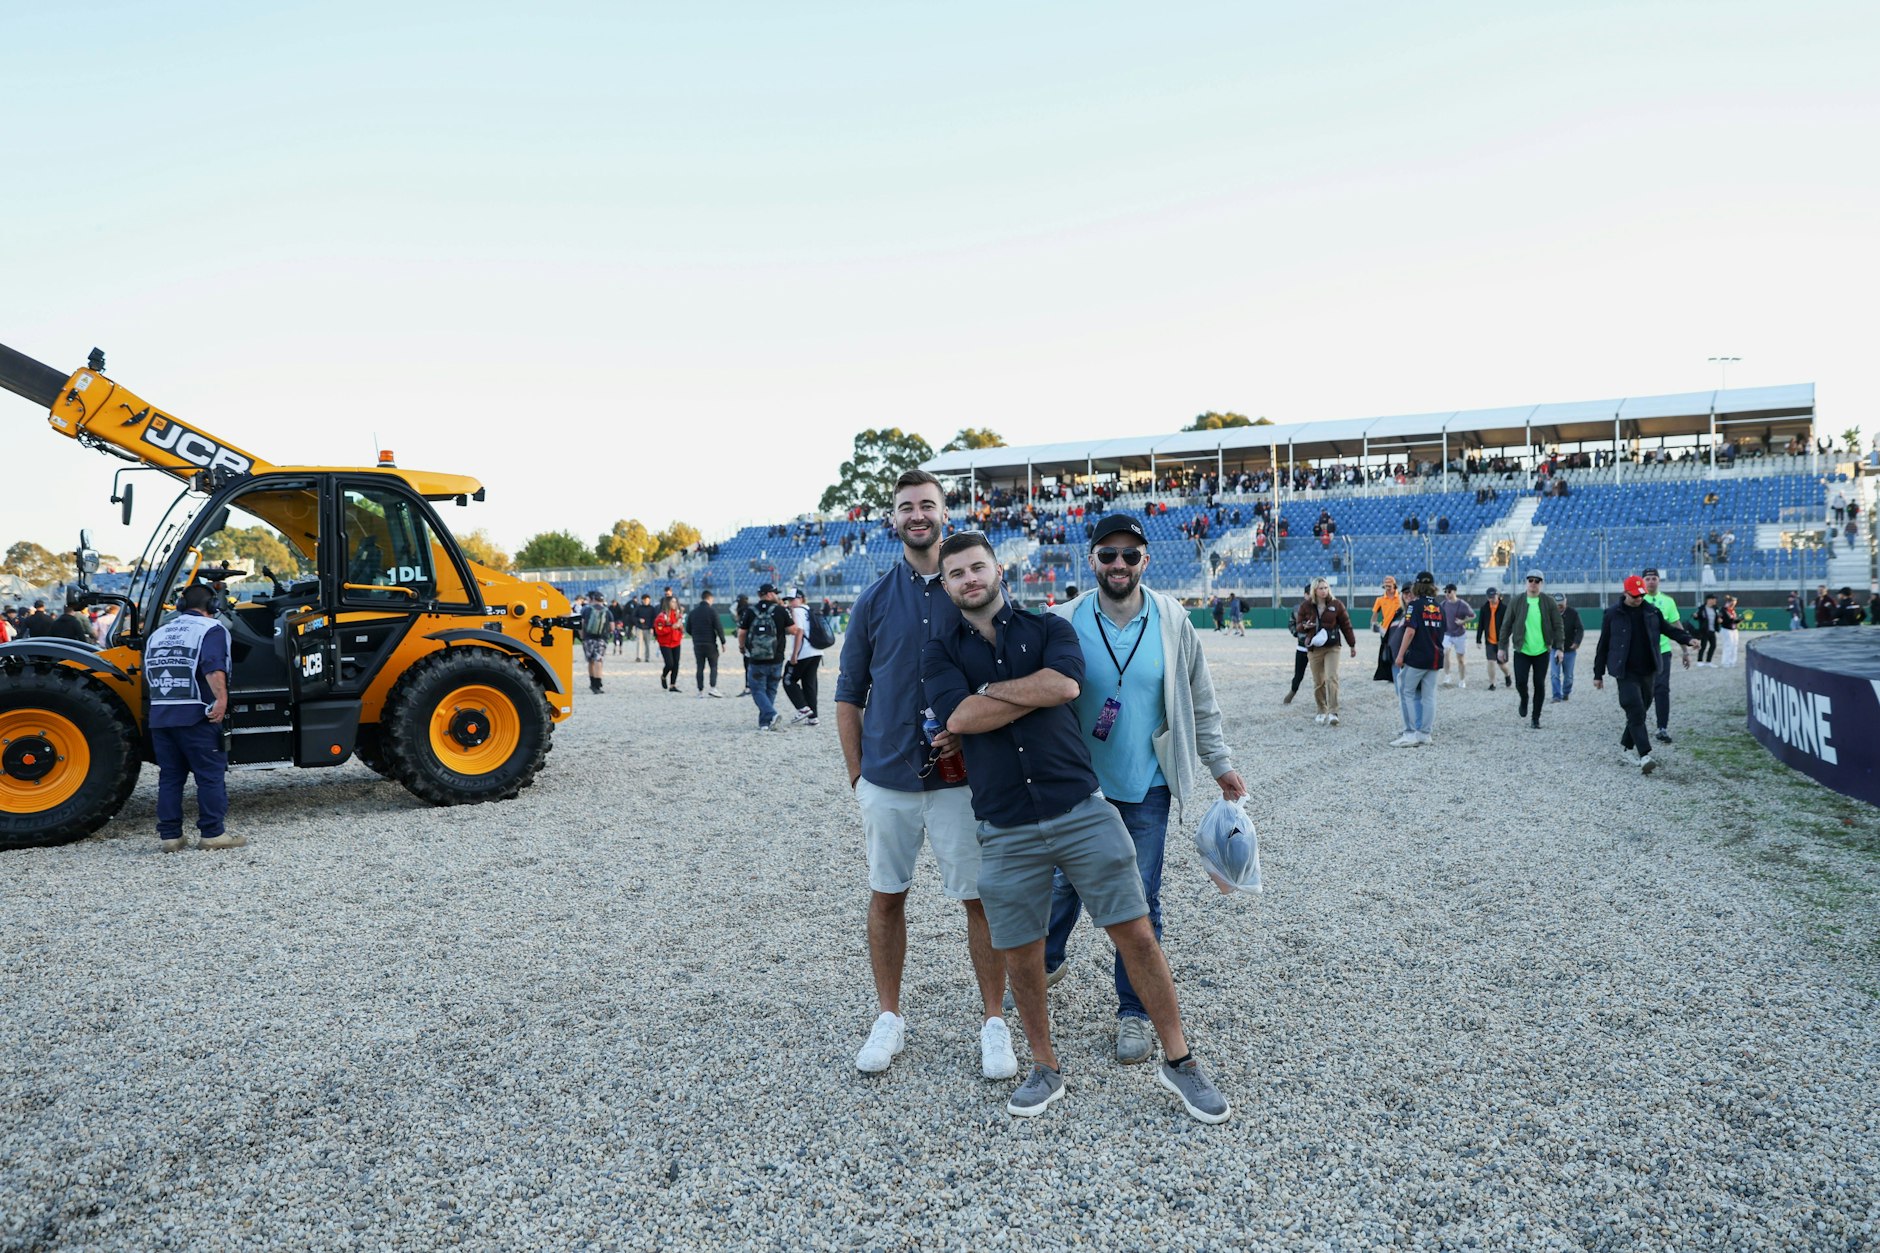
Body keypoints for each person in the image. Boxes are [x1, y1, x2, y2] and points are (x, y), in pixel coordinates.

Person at [922, 531, 1231, 1123]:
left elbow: (1063, 685)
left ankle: (1181, 1060)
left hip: (1081, 808)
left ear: (998, 572)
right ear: (945, 585)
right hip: (1006, 823)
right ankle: (1045, 1065)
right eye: (955, 573)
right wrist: (1011, 698)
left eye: (977, 567)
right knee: (1022, 950)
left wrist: (984, 696)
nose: (968, 579)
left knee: (1137, 932)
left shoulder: (1048, 630)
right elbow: (958, 716)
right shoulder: (938, 652)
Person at [1042, 514, 1246, 1063]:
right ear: (1092, 560)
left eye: (1130, 555)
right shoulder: (1062, 618)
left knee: (1140, 901)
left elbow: (1199, 700)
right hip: (1079, 781)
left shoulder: (1172, 619)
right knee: (1063, 883)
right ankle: (1045, 962)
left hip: (1147, 784)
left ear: (1145, 562)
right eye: (1108, 554)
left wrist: (1218, 763)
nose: (1119, 565)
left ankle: (1133, 1012)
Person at [834, 470, 1011, 1081]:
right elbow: (848, 692)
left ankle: (993, 1019)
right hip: (888, 777)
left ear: (944, 511)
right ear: (893, 518)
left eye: (927, 505)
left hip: (963, 779)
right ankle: (888, 1015)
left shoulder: (973, 589)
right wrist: (859, 774)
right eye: (906, 507)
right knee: (887, 896)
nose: (917, 515)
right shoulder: (875, 599)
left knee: (980, 898)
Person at [143, 584, 241, 850]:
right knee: (209, 775)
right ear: (213, 607)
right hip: (197, 715)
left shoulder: (158, 633)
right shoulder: (211, 630)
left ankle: (170, 836)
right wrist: (221, 700)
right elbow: (213, 666)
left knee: (170, 777)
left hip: (161, 716)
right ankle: (213, 834)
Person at [1593, 576, 1695, 775]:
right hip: (1625, 672)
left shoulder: (1652, 612)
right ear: (1625, 593)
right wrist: (1598, 674)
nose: (1639, 598)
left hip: (1648, 669)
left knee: (1640, 711)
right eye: (1634, 595)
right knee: (1635, 708)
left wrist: (1688, 640)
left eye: (1641, 595)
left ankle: (1625, 747)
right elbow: (1603, 645)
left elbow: (1670, 630)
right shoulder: (1612, 614)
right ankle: (1645, 755)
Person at [1497, 571, 1562, 729]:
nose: (1533, 583)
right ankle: (1524, 699)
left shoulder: (1549, 602)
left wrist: (1559, 648)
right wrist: (1501, 647)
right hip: (1522, 650)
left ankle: (1535, 718)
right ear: (1526, 582)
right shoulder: (1517, 601)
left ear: (1542, 583)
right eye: (1531, 580)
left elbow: (1558, 626)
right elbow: (1506, 625)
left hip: (1541, 651)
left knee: (1539, 684)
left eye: (1537, 581)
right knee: (1520, 682)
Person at [1390, 573, 1444, 747]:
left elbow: (1410, 631)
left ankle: (1410, 732)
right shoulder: (1439, 607)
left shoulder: (1414, 605)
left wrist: (1400, 655)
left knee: (1406, 691)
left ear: (1417, 587)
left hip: (1418, 657)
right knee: (1429, 696)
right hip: (1435, 657)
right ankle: (1425, 734)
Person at [1295, 577, 1356, 726]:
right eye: (1321, 588)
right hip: (1314, 648)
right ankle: (1321, 709)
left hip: (1332, 646)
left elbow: (1346, 625)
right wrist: (1305, 625)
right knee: (1318, 681)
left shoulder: (1337, 605)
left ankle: (1333, 711)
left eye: (1326, 587)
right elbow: (1298, 626)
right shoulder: (1305, 606)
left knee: (1331, 677)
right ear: (1314, 590)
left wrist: (1352, 644)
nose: (1324, 591)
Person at [737, 583, 798, 730]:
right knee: (771, 689)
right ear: (769, 594)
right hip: (776, 657)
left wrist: (742, 647)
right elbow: (793, 630)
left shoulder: (750, 611)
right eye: (775, 593)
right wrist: (790, 611)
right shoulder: (780, 610)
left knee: (757, 690)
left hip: (756, 658)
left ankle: (768, 718)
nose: (777, 595)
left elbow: (742, 633)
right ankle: (767, 719)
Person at [1639, 569, 1682, 743]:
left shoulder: (1668, 601)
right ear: (1643, 581)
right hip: (1641, 653)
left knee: (1662, 688)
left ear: (1659, 580)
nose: (1651, 581)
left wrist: (1685, 649)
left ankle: (1662, 727)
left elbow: (1675, 625)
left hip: (1663, 651)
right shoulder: (1637, 599)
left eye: (1654, 578)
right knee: (1643, 689)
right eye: (1647, 578)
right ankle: (1636, 724)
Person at [782, 587, 823, 726]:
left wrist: (794, 654)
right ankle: (813, 716)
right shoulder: (809, 610)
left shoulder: (797, 611)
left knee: (788, 680)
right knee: (809, 683)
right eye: (789, 600)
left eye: (793, 599)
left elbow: (799, 632)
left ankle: (803, 708)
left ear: (801, 599)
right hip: (816, 651)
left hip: (803, 652)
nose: (791, 602)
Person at [686, 590, 725, 697]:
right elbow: (719, 627)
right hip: (710, 643)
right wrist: (723, 642)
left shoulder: (693, 612)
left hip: (697, 643)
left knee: (700, 667)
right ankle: (713, 687)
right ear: (710, 599)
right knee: (713, 666)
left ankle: (700, 691)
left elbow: (688, 629)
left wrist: (696, 635)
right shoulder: (712, 612)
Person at [1281, 582, 1313, 705]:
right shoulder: (1297, 609)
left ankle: (1324, 699)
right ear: (1305, 595)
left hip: (1318, 649)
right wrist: (1297, 634)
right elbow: (1291, 624)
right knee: (1298, 675)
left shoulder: (1322, 608)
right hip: (1302, 647)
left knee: (1321, 676)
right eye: (1309, 594)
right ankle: (1292, 692)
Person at [1475, 587, 1511, 690]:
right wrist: (1478, 640)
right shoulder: (1484, 608)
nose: (1492, 599)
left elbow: (1509, 625)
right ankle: (1492, 683)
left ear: (1498, 595)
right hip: (1489, 640)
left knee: (1502, 664)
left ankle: (1507, 674)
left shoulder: (1504, 608)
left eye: (1494, 596)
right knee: (1490, 661)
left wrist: (1506, 637)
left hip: (1501, 641)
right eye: (1490, 597)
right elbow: (1480, 624)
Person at [576, 591, 611, 694]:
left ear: (593, 599)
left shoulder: (586, 610)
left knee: (590, 661)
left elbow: (581, 624)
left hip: (588, 638)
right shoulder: (607, 611)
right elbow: (612, 627)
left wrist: (582, 636)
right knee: (598, 661)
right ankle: (598, 683)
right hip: (601, 639)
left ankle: (592, 683)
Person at [1551, 594, 1584, 701]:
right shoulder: (1549, 613)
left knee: (1568, 675)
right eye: (1557, 605)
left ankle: (1566, 692)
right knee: (1555, 674)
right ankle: (1556, 695)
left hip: (1569, 649)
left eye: (1561, 604)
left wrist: (1577, 642)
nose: (1559, 606)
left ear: (1566, 602)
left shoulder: (1573, 613)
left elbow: (1580, 629)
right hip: (1554, 648)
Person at [1370, 576, 1402, 683]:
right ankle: (1390, 674)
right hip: (1385, 630)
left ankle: (1399, 671)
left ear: (1394, 585)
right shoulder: (1380, 599)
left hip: (1399, 628)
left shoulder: (1400, 597)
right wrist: (1373, 624)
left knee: (1399, 650)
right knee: (1387, 653)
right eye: (1385, 586)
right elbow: (1375, 613)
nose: (1387, 588)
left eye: (1389, 585)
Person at [1439, 585, 1472, 688]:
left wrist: (1463, 621)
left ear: (1455, 592)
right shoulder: (1443, 604)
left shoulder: (1462, 604)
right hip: (1447, 634)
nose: (1447, 594)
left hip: (1459, 634)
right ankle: (1447, 676)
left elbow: (1473, 615)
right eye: (1445, 592)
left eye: (1449, 592)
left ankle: (1462, 680)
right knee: (1445, 652)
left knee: (1461, 659)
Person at [653, 595, 685, 692]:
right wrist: (672, 627)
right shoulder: (661, 617)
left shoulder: (677, 615)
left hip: (676, 642)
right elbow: (659, 631)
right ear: (667, 604)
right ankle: (663, 676)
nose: (675, 604)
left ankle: (672, 685)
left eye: (675, 602)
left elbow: (681, 628)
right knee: (669, 663)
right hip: (665, 643)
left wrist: (680, 628)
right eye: (672, 602)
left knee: (676, 664)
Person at [1692, 594, 1722, 665]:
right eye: (1714, 599)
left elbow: (1718, 617)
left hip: (1712, 630)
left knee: (1713, 645)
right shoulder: (1702, 608)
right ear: (1709, 600)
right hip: (1704, 630)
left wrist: (1719, 620)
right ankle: (1699, 661)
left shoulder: (1715, 608)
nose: (1715, 601)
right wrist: (1695, 616)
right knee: (1703, 645)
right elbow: (1697, 617)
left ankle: (1709, 661)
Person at [632, 593, 658, 663]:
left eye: (647, 600)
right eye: (644, 600)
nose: (646, 601)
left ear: (649, 600)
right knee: (639, 643)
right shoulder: (638, 608)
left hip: (648, 628)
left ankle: (647, 657)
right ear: (642, 600)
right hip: (640, 628)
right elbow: (633, 617)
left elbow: (654, 619)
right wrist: (639, 620)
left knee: (647, 644)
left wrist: (653, 628)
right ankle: (639, 657)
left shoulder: (652, 609)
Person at [1718, 595, 1742, 665]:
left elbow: (1734, 619)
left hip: (1734, 629)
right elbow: (1722, 619)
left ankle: (1732, 661)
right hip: (1726, 629)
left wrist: (1738, 620)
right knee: (1728, 645)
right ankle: (1726, 662)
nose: (1733, 605)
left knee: (1735, 645)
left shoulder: (1732, 611)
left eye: (1735, 603)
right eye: (1732, 603)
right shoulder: (1723, 610)